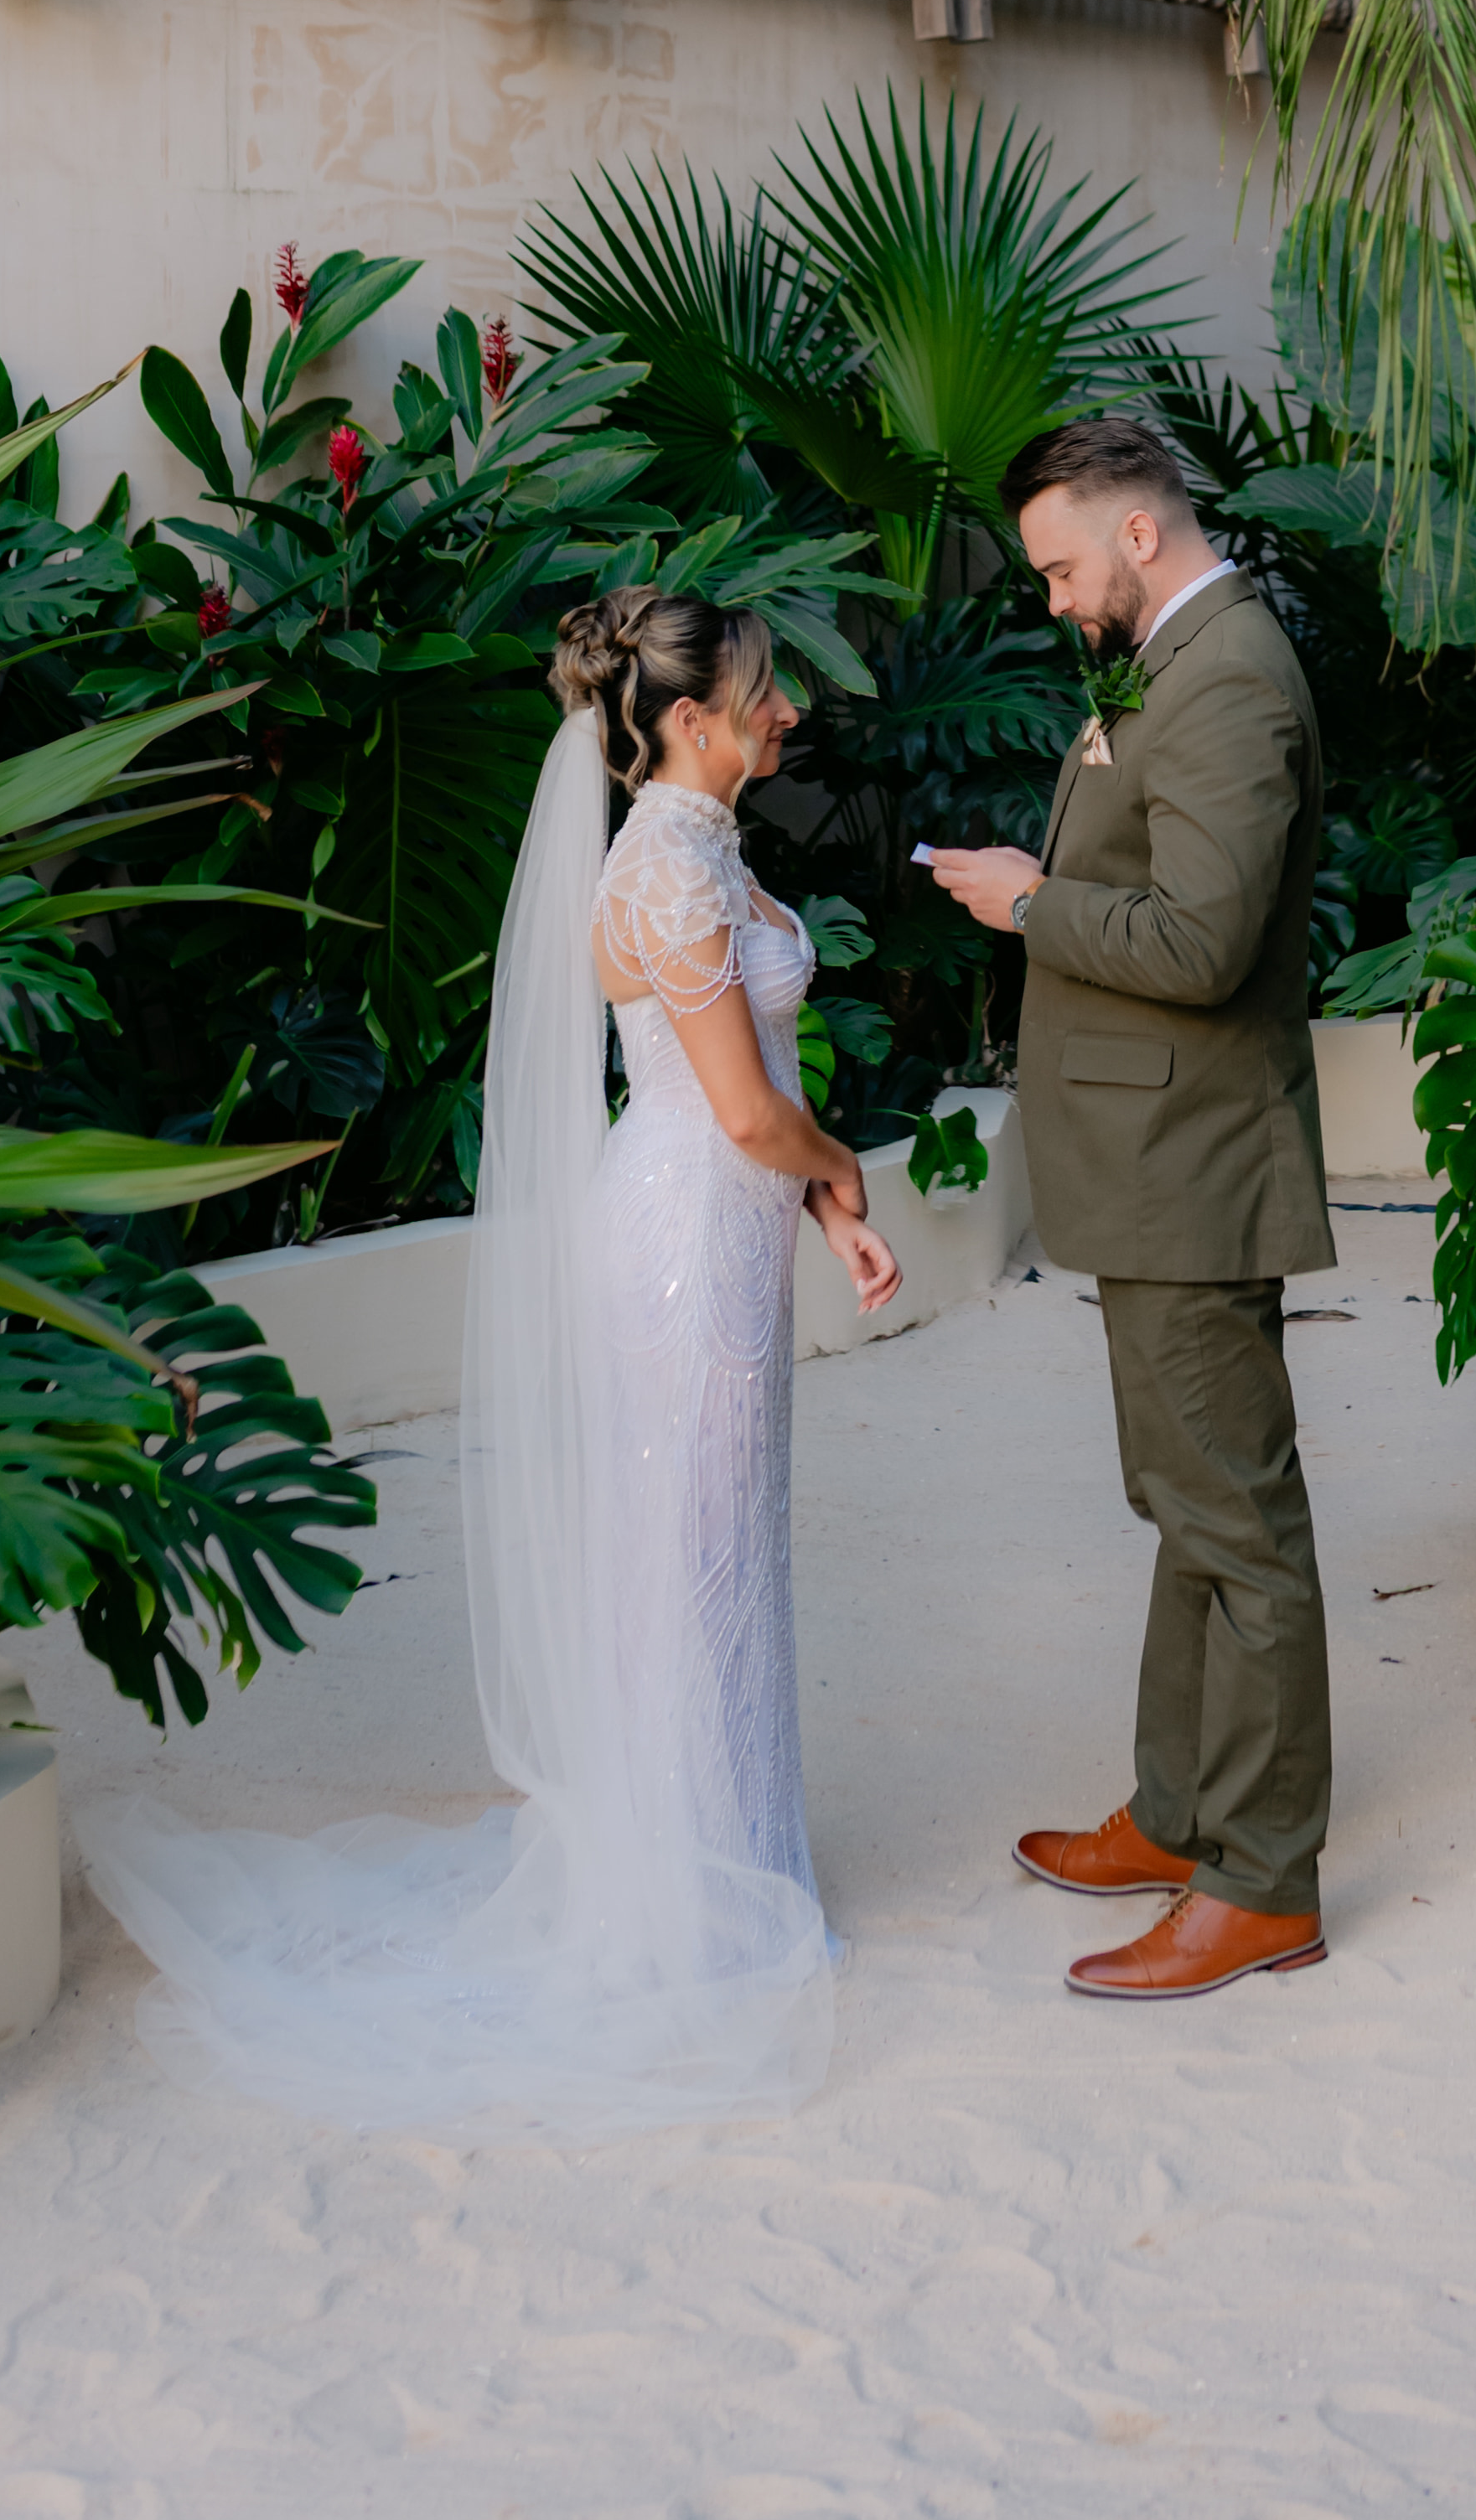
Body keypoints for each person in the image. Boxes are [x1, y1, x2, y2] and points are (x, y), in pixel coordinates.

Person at [84, 589, 899, 2138]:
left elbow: (748, 1088)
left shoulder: (698, 847)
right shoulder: (668, 867)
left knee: (711, 1548)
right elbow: (742, 1110)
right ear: (690, 721)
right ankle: (692, 1899)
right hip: (685, 1241)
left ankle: (723, 1858)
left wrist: (826, 1213)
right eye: (764, 691)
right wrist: (842, 1166)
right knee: (690, 1557)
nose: (788, 709)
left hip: (719, 1225)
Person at [922, 413, 1335, 2001]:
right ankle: (1179, 1813)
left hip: (1193, 1165)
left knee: (1237, 1527)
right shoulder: (1176, 657)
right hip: (1152, 1160)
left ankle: (1264, 1882)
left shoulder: (1226, 675)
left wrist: (1028, 901)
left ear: (1140, 533)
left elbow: (1201, 946)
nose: (1050, 598)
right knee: (1186, 1507)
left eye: (1058, 566)